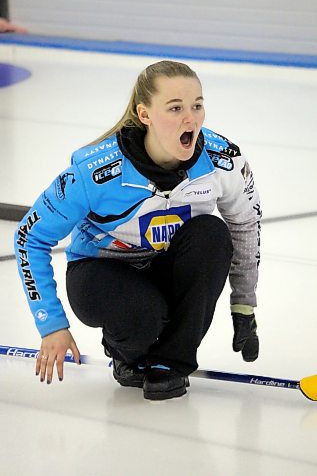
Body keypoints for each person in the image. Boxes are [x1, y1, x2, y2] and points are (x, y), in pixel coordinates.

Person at [14, 60, 261, 401]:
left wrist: (244, 307)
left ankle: (171, 364)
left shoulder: (223, 161)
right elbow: (30, 236)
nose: (190, 119)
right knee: (143, 317)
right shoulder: (95, 171)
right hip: (103, 273)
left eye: (197, 106)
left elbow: (244, 224)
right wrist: (51, 324)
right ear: (145, 115)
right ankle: (125, 350)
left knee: (212, 235)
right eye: (175, 108)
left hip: (167, 268)